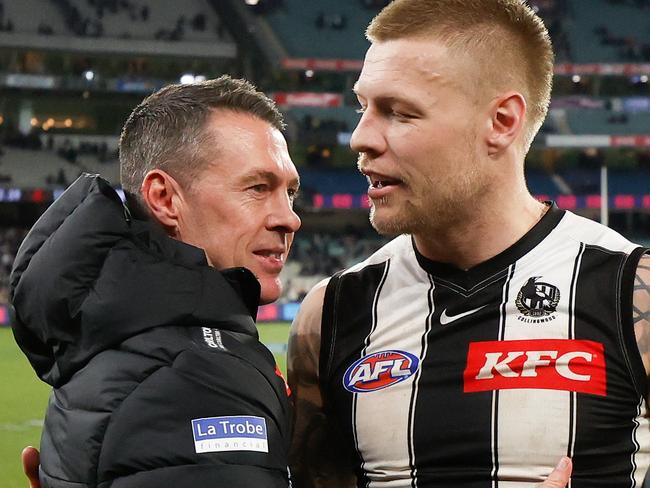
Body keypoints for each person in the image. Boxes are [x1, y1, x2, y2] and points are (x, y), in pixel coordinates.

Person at [288, 0, 650, 487]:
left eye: (399, 112)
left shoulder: (632, 291)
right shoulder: (330, 312)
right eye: (363, 107)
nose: (359, 138)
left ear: (502, 122)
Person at [11, 76, 301, 487]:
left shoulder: (114, 344)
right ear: (164, 198)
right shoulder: (203, 376)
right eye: (258, 188)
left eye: (290, 193)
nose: (289, 218)